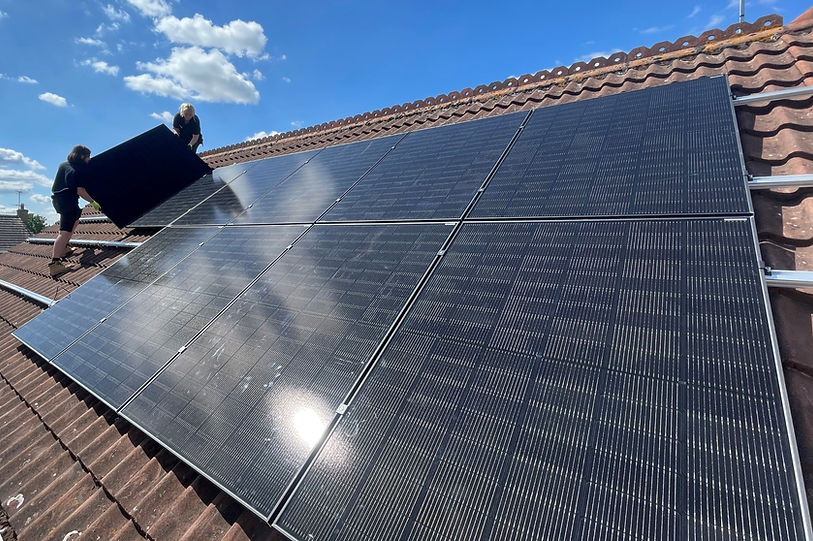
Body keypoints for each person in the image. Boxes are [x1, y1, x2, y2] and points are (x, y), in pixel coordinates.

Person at [49, 145, 101, 277]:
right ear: (82, 156)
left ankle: (64, 248)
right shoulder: (78, 170)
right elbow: (80, 191)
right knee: (64, 232)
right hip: (68, 202)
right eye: (88, 156)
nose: (89, 159)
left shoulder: (64, 165)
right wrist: (93, 202)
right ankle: (55, 264)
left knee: (76, 219)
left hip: (59, 200)